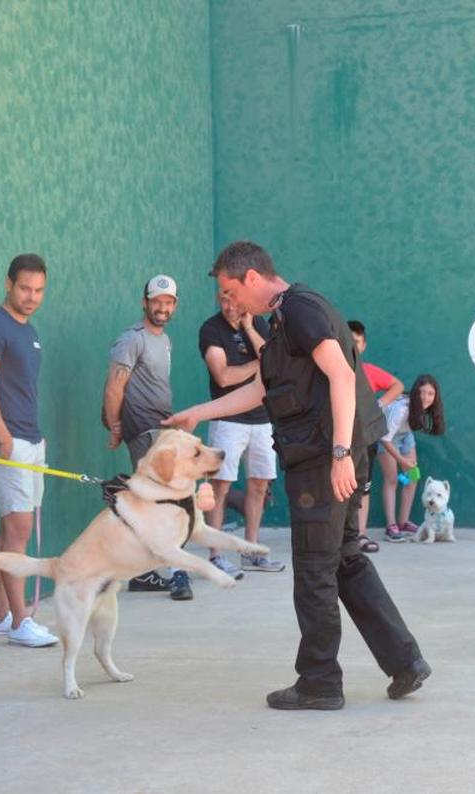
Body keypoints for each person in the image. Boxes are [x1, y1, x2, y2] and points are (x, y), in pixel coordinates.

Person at [165, 241, 430, 710]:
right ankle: (405, 662)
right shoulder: (283, 321)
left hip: (324, 460)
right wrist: (198, 412)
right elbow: (263, 388)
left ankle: (319, 681)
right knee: (345, 559)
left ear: (252, 278)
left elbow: (343, 376)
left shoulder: (301, 309)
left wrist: (341, 453)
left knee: (314, 570)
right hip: (330, 454)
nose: (230, 302)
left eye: (230, 290)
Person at [0, 254, 60, 648]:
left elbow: (22, 390)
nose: (32, 296)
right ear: (8, 284)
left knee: (11, 526)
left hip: (29, 440)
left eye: (39, 290)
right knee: (19, 529)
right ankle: (22, 622)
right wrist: (4, 437)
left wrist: (36, 438)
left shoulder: (29, 330)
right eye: (25, 288)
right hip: (6, 443)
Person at [101, 275, 193, 601]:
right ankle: (176, 573)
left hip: (162, 428)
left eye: (168, 302)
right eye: (157, 301)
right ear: (145, 302)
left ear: (175, 305)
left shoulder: (163, 340)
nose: (163, 307)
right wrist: (114, 425)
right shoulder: (132, 339)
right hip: (144, 430)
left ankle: (145, 572)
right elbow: (115, 387)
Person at [197, 288, 284, 575]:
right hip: (227, 421)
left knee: (259, 485)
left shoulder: (256, 323)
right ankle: (216, 555)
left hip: (262, 420)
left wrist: (248, 328)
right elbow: (223, 376)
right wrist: (256, 365)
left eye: (232, 300)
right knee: (220, 487)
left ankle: (252, 552)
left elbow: (272, 360)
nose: (228, 306)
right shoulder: (211, 329)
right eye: (222, 299)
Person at [347, 320, 404, 552]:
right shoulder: (330, 369)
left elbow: (397, 385)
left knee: (364, 487)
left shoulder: (370, 372)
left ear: (364, 345)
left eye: (357, 341)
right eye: (348, 340)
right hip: (337, 440)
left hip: (365, 439)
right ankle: (336, 538)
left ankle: (359, 535)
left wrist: (379, 404)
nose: (352, 345)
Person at [379, 374, 447, 542]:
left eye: (430, 393)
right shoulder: (401, 409)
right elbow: (385, 438)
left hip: (405, 435)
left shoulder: (426, 408)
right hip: (385, 436)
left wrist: (407, 464)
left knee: (412, 477)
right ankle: (391, 526)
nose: (426, 397)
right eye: (422, 392)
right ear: (416, 393)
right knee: (392, 480)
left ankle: (403, 522)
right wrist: (402, 461)